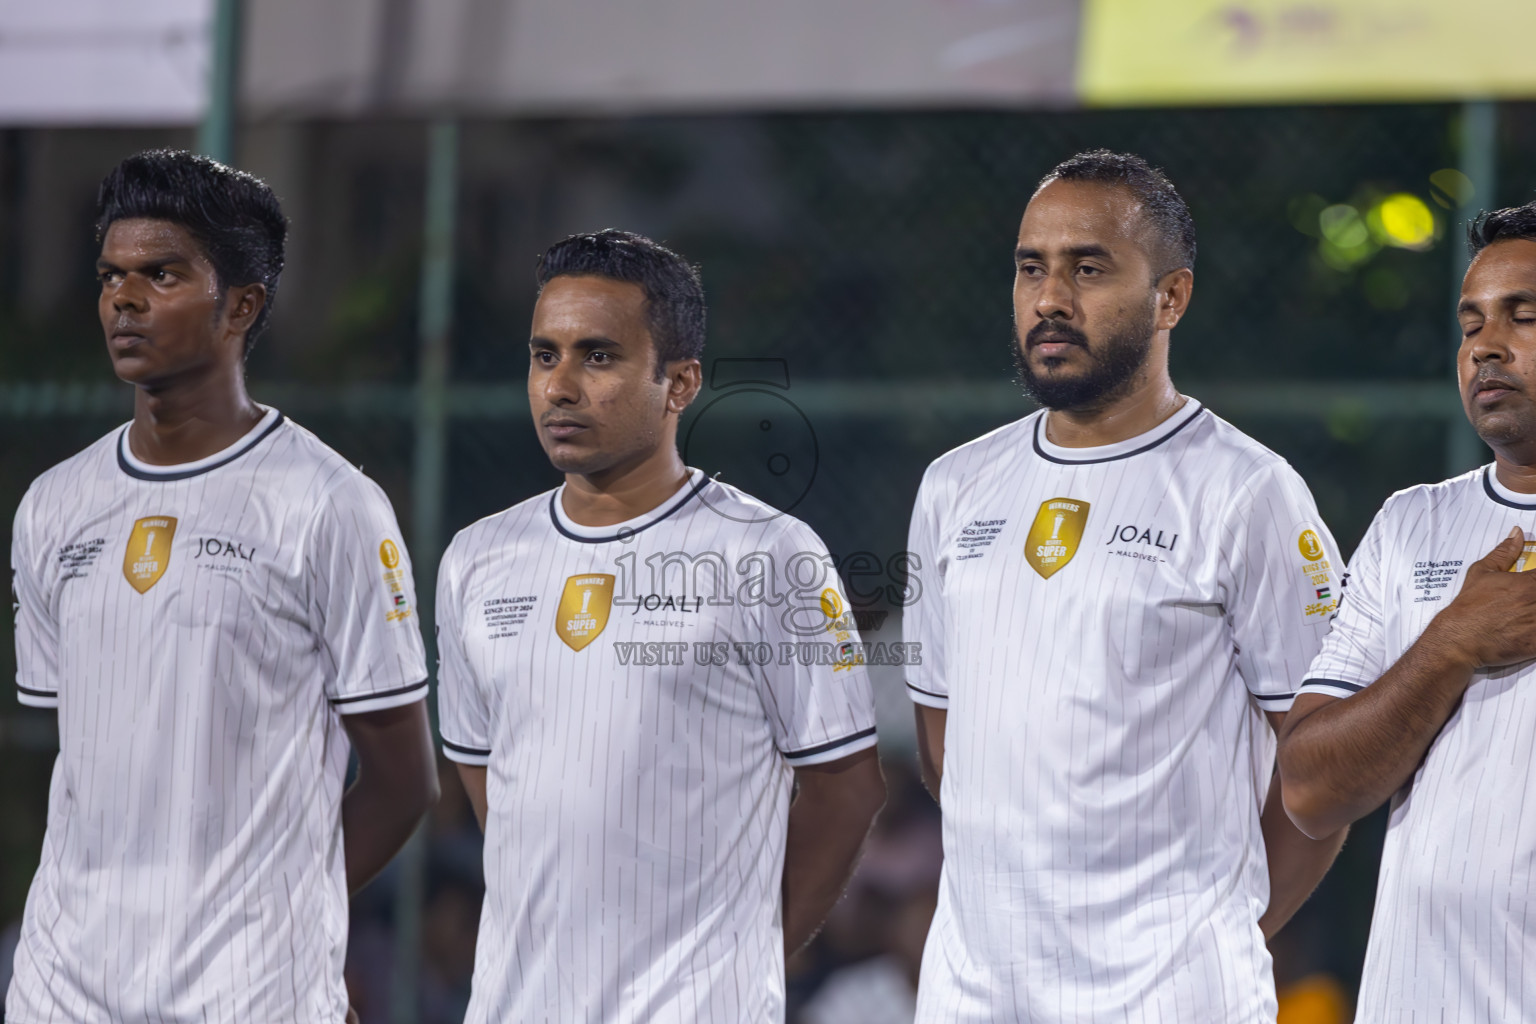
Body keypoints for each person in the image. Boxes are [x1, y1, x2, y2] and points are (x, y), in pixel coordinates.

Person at [903, 150, 1346, 1022]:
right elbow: (943, 743)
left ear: (1171, 297)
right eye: (1032, 267)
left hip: (1171, 996)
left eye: (1089, 268)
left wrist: (1223, 934)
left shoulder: (1247, 492)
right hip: (972, 995)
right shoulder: (954, 487)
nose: (1050, 298)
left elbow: (1325, 779)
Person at [6, 150, 438, 1023]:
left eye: (161, 274)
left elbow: (404, 782)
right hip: (63, 985)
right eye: (111, 277)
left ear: (241, 305)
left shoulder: (330, 506)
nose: (123, 300)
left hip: (247, 991)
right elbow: (88, 759)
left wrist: (290, 915)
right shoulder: (54, 506)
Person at [435, 229, 886, 1022]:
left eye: (597, 357)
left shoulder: (768, 553)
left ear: (679, 383)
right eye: (545, 355)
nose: (560, 386)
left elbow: (846, 790)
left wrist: (745, 964)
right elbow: (492, 794)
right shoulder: (477, 559)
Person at [1277, 201, 1536, 1021]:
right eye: (1471, 325)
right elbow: (1311, 787)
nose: (1486, 347)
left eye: (1524, 316)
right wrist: (1452, 644)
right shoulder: (1411, 524)